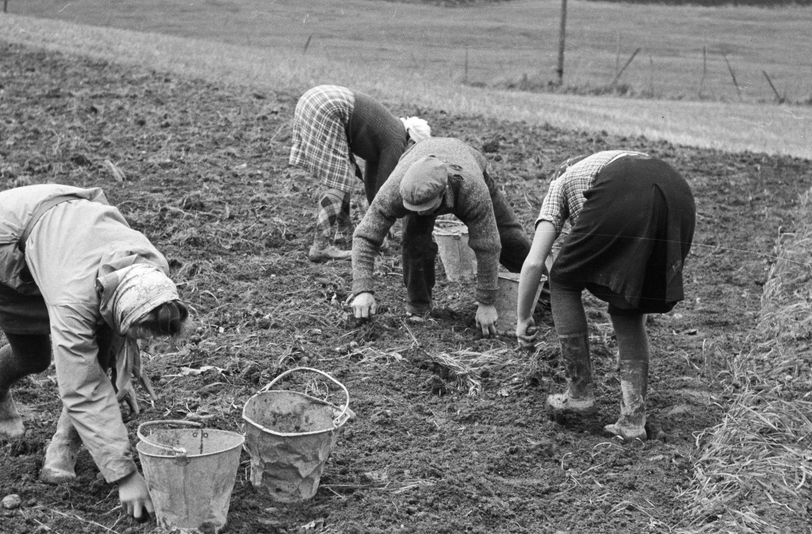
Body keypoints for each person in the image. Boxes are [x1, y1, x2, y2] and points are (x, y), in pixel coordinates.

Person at [0, 184, 191, 520]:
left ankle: (64, 443)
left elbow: (129, 319)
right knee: (34, 355)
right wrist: (125, 475)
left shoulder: (151, 266)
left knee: (102, 341)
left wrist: (124, 371)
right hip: (3, 239)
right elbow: (83, 387)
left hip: (69, 232)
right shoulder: (74, 301)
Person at [516, 151, 695, 441]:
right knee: (627, 305)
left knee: (562, 279)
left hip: (622, 187)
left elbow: (535, 262)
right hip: (678, 195)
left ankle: (579, 395)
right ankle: (633, 421)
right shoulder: (596, 166)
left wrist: (523, 317)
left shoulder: (558, 184)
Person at [348, 136, 532, 336]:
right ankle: (418, 307)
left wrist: (486, 302)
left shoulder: (473, 190)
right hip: (416, 159)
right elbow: (365, 236)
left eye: (424, 208)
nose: (419, 212)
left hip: (465, 161)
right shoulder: (395, 190)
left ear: (443, 192)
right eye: (414, 208)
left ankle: (546, 289)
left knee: (510, 236)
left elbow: (488, 244)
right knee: (414, 241)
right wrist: (362, 289)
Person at [288, 84, 431, 262]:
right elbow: (385, 189)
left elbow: (372, 183)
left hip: (314, 99)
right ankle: (320, 247)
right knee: (339, 180)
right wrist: (380, 229)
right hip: (328, 107)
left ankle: (345, 230)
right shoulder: (396, 140)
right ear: (412, 142)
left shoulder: (389, 132)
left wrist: (378, 223)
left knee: (343, 173)